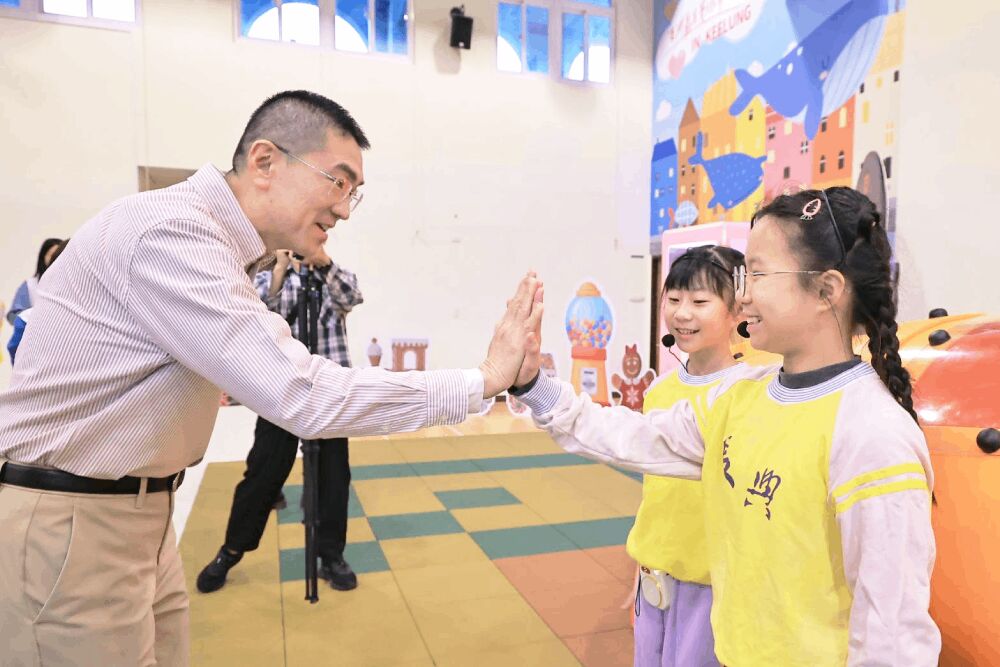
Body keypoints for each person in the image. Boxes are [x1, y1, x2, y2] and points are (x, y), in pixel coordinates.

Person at [0, 90, 542, 667]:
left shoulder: (213, 244)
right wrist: (484, 380)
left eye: (355, 192)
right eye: (338, 182)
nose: (345, 210)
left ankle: (324, 551)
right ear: (265, 162)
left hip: (131, 513)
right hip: (75, 520)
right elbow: (301, 393)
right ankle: (236, 548)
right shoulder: (173, 234)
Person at [513, 188, 940, 665]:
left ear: (826, 290)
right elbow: (630, 436)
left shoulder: (872, 433)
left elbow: (892, 639)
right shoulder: (736, 399)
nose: (743, 294)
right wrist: (532, 384)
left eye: (757, 273)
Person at [197, 248, 364, 593]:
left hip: (329, 395)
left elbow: (351, 296)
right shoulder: (269, 280)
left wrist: (323, 263)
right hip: (281, 393)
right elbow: (257, 317)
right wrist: (280, 270)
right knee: (262, 475)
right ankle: (231, 551)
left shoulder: (333, 276)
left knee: (334, 479)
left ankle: (331, 556)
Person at [628, 246, 744, 667]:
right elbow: (656, 492)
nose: (682, 313)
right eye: (674, 299)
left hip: (711, 582)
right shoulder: (660, 390)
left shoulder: (745, 393)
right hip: (653, 574)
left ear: (737, 309)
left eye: (699, 301)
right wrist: (643, 562)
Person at [5, 237, 64, 325]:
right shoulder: (30, 285)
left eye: (58, 255)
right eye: (51, 255)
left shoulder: (72, 283)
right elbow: (13, 317)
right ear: (43, 257)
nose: (55, 259)